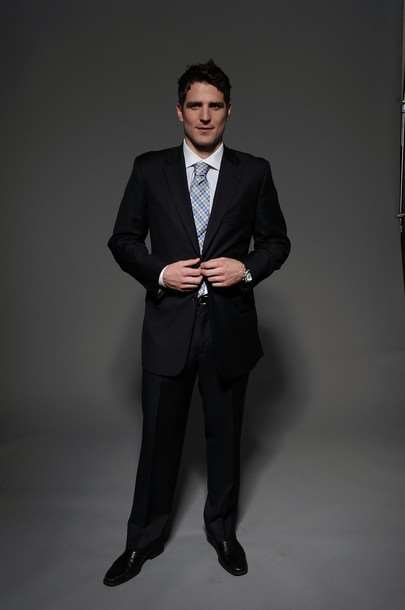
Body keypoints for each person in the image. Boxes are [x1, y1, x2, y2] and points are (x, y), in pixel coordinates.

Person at [103, 59, 291, 585]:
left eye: (215, 106)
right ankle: (141, 542)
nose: (205, 116)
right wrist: (161, 273)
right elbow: (123, 239)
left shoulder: (254, 172)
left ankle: (223, 533)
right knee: (158, 442)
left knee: (225, 439)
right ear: (179, 112)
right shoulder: (149, 169)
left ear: (228, 112)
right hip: (169, 327)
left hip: (229, 328)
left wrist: (245, 269)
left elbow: (277, 242)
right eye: (195, 106)